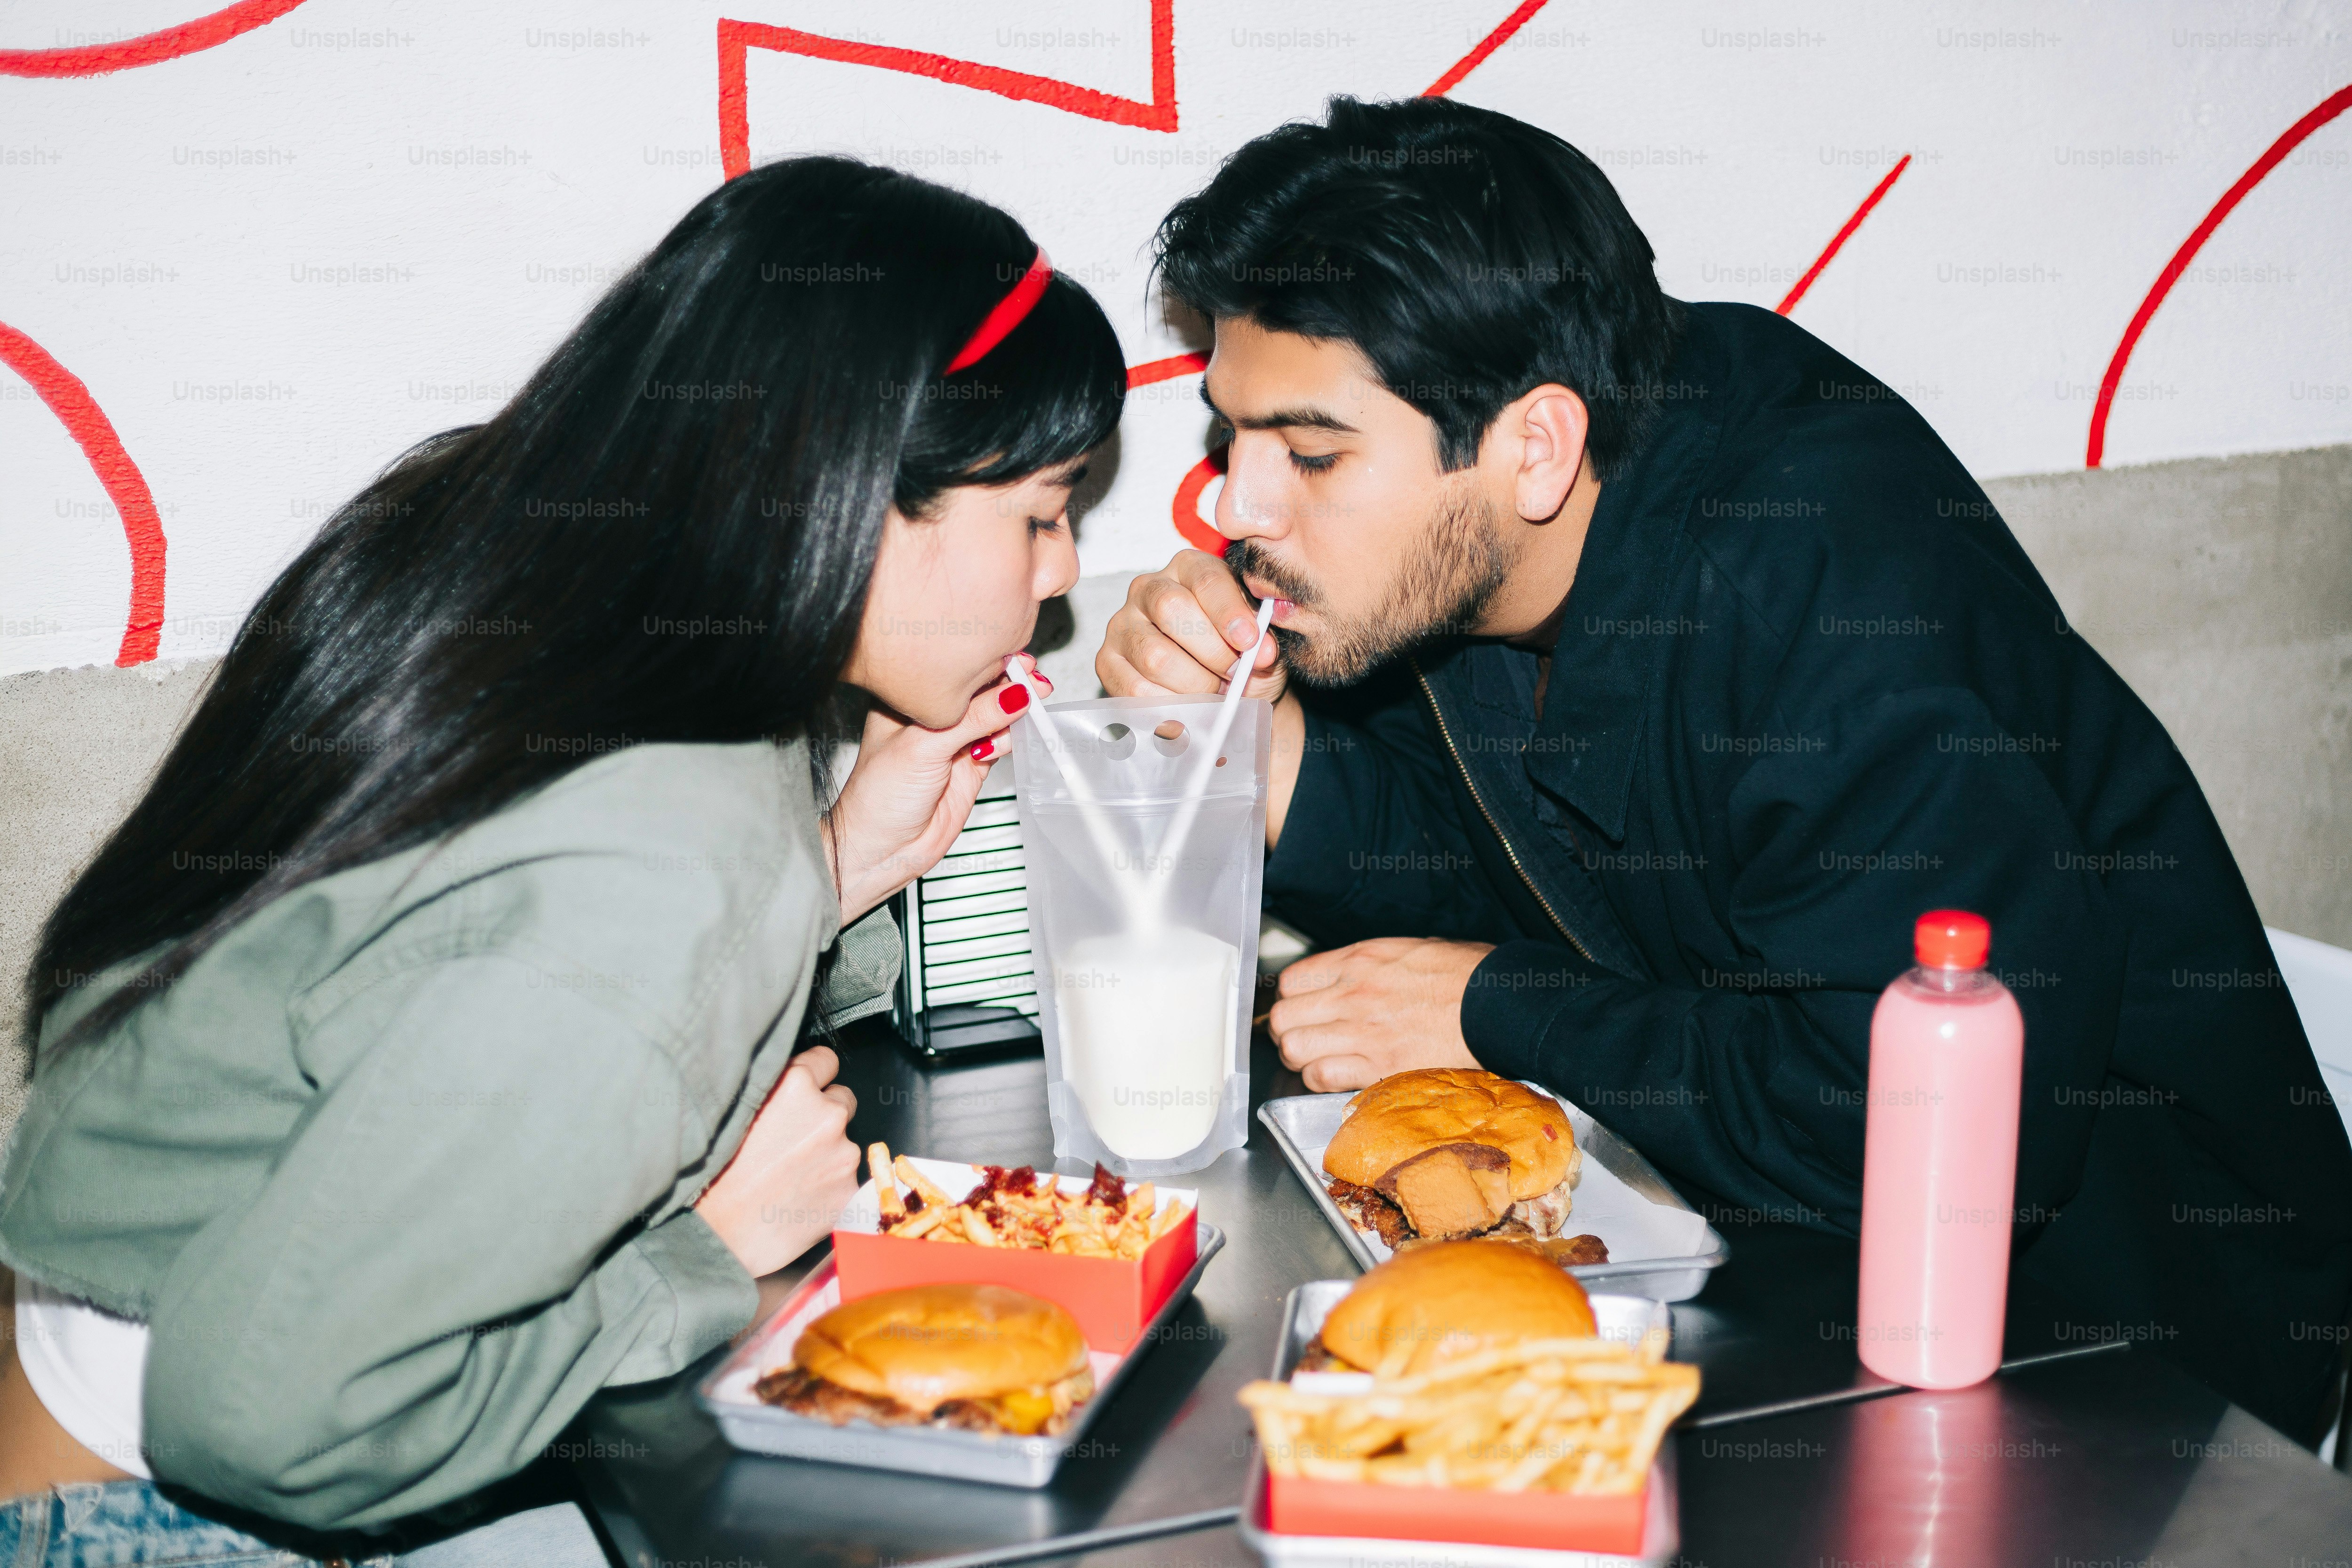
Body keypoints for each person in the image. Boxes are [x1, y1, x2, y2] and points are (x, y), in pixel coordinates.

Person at [1099, 96, 2352, 1441]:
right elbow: (1515, 870)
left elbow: (1910, 1118)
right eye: (1232, 436)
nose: (1238, 506)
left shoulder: (1818, 583)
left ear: (1536, 446)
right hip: (1775, 1274)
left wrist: (1503, 1011)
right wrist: (1276, 759)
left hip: (2117, 1358)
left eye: (1313, 454)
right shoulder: (1489, 544)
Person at [0, 156, 1116, 1563]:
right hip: (169, 1506)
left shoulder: (513, 552)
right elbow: (268, 1420)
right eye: (1042, 511)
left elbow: (474, 989)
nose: (1066, 569)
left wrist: (829, 877)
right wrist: (700, 1259)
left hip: (76, 1380)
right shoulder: (667, 847)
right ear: (853, 493)